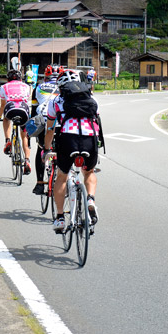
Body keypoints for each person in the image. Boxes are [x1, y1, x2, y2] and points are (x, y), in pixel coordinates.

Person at [42, 69, 100, 233]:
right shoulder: (91, 98)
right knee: (88, 172)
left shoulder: (55, 101)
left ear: (60, 87)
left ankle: (60, 218)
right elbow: (96, 122)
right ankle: (90, 200)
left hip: (68, 140)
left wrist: (46, 150)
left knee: (61, 177)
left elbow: (50, 129)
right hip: (89, 139)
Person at [30, 66, 62, 195]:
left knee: (41, 149)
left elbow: (33, 109)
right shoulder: (64, 87)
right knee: (61, 150)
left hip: (44, 121)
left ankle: (39, 183)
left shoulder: (38, 88)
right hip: (60, 121)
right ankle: (61, 180)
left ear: (45, 77)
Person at [0, 69, 32, 174]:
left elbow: (2, 105)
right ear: (20, 78)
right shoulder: (26, 86)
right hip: (23, 110)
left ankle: (7, 140)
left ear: (8, 78)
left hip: (10, 108)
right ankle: (27, 160)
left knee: (6, 119)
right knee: (24, 136)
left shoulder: (4, 87)